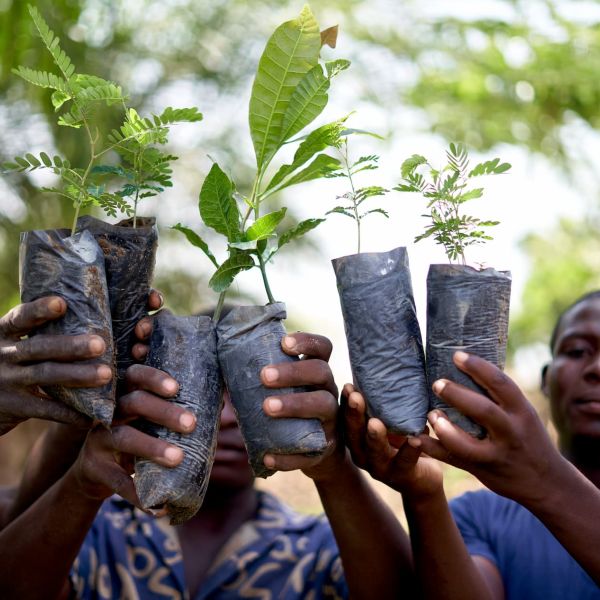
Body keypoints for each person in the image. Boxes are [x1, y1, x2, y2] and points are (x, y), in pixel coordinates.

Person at [0, 298, 414, 599]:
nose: (228, 418)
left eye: (245, 393)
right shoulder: (95, 529)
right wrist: (83, 481)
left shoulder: (313, 546)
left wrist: (334, 468)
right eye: (204, 391)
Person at [344, 290, 600, 598]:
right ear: (547, 379)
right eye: (577, 351)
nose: (597, 368)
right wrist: (423, 497)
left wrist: (545, 480)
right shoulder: (475, 517)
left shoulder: (534, 490)